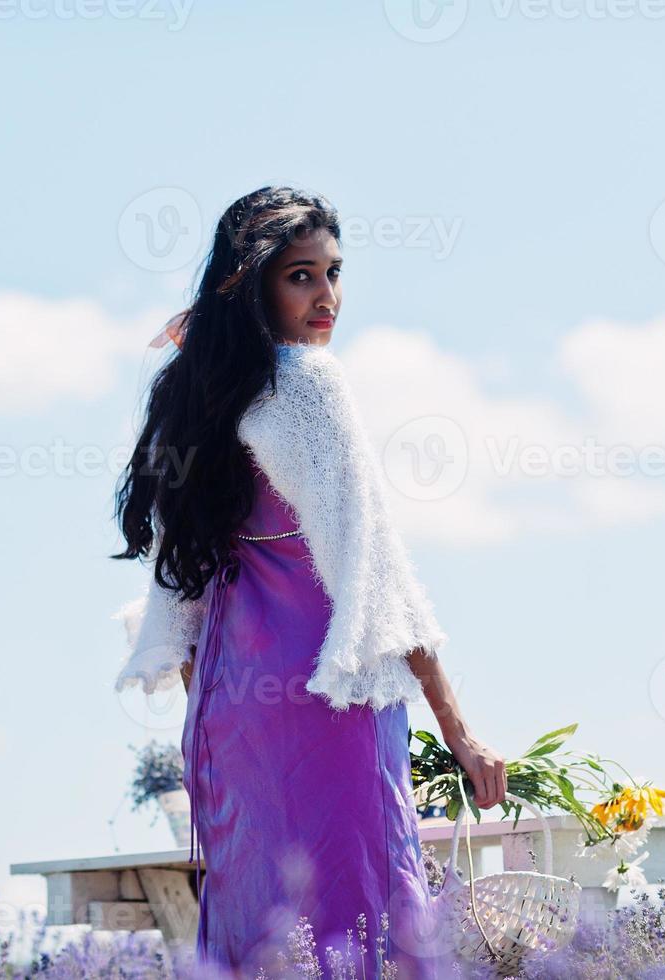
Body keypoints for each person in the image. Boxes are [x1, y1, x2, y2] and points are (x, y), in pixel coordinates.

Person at [111, 186, 506, 978]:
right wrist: (459, 732)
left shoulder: (193, 395)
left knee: (263, 928)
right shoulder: (309, 388)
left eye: (332, 273)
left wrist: (222, 719)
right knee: (363, 916)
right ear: (251, 283)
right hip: (332, 701)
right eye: (300, 276)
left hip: (232, 709)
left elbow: (180, 594)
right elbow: (378, 576)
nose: (326, 297)